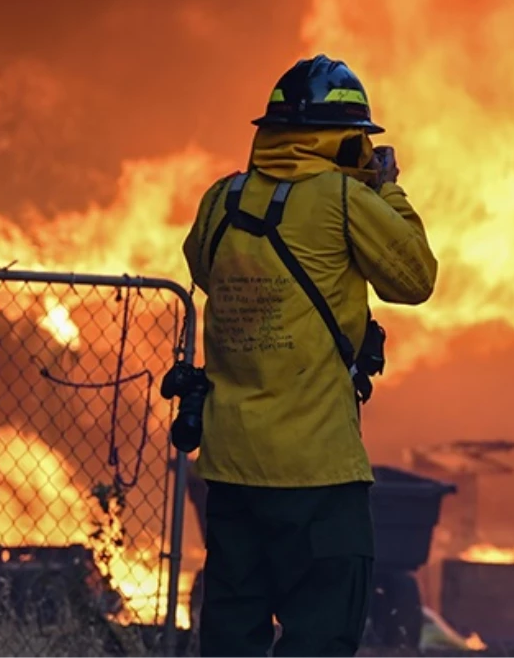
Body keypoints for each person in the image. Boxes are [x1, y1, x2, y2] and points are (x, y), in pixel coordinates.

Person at [180, 54, 439, 657]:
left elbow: (205, 271)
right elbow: (415, 278)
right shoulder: (343, 199)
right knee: (321, 635)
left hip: (230, 470)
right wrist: (386, 188)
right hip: (318, 474)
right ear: (348, 140)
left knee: (231, 637)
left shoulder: (221, 199)